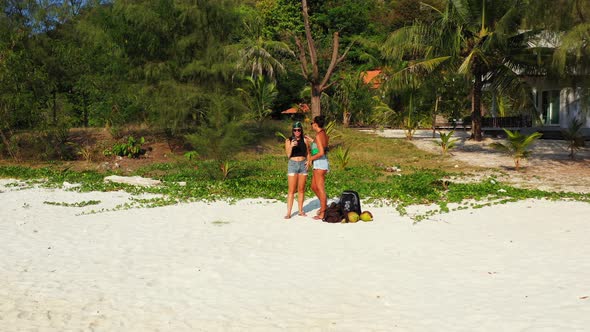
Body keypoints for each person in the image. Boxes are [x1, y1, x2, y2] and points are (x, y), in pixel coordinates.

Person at [285, 122, 311, 219]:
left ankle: (300, 211)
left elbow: (308, 152)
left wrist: (309, 161)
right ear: (293, 130)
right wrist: (291, 146)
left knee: (301, 189)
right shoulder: (288, 140)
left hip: (302, 165)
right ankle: (288, 213)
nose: (297, 132)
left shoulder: (305, 139)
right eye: (295, 130)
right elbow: (288, 155)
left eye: (299, 130)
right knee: (291, 190)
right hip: (293, 164)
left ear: (301, 130)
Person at [307, 115, 330, 220]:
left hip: (320, 163)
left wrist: (310, 158)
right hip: (320, 163)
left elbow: (320, 152)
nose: (311, 125)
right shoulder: (322, 133)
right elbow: (321, 146)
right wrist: (312, 141)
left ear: (315, 124)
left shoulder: (319, 135)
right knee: (313, 186)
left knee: (320, 188)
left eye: (312, 123)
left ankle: (323, 212)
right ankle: (324, 204)